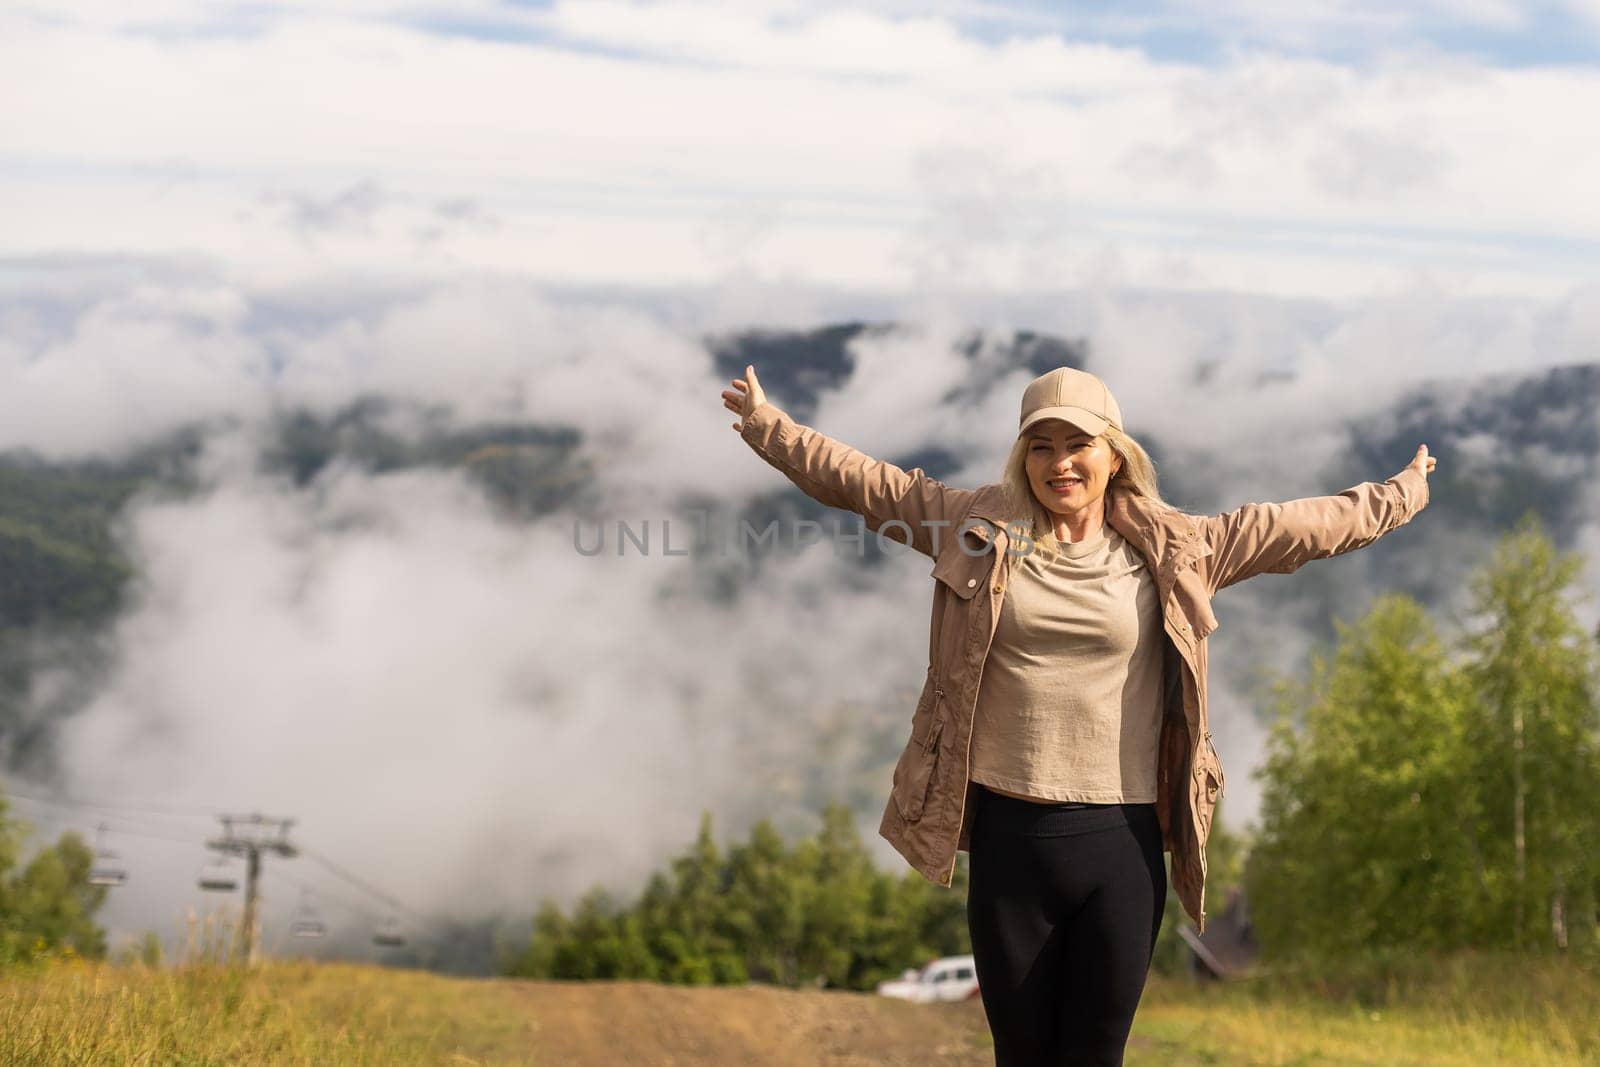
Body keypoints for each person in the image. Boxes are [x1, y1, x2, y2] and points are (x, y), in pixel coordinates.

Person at [721, 361, 1435, 1065]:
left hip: (1121, 847)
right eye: (1041, 445)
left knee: (1096, 1057)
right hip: (1011, 840)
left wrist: (1401, 494)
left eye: (1077, 444)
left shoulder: (1177, 546)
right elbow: (868, 485)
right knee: (1022, 1056)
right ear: (1022, 455)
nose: (1059, 463)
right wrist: (767, 426)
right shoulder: (976, 528)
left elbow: (1304, 527)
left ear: (1114, 453)